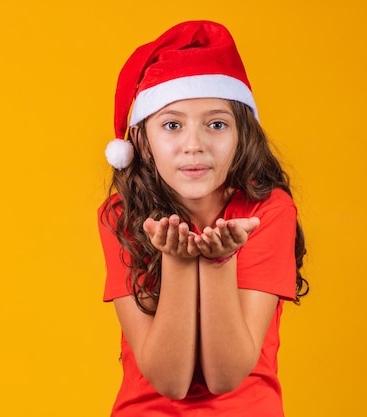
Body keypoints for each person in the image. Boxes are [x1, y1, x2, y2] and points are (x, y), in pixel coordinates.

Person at [98, 20, 308, 416]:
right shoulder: (122, 216)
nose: (194, 145)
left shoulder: (268, 210)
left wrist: (217, 262)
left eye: (216, 124)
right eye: (172, 125)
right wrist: (177, 261)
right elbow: (170, 380)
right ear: (141, 141)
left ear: (242, 134)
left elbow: (226, 376)